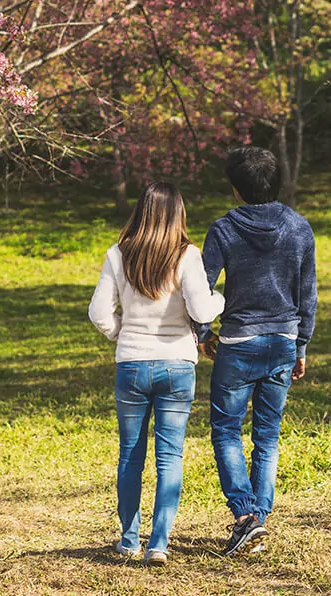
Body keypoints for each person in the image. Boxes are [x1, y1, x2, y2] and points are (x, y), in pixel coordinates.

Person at [88, 181, 225, 566]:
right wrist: (221, 299)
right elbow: (202, 311)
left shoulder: (118, 254)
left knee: (130, 456)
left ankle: (129, 539)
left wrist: (123, 335)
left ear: (142, 210)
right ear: (178, 213)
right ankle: (159, 543)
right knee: (170, 457)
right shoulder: (187, 255)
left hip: (131, 364)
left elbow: (99, 313)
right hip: (177, 365)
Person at [198, 146, 317, 556]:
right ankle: (257, 521)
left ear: (236, 189)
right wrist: (301, 344)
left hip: (238, 343)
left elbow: (202, 287)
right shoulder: (299, 227)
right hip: (283, 340)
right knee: (267, 435)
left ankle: (246, 517)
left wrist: (202, 332)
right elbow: (308, 295)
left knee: (227, 430)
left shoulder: (223, 229)